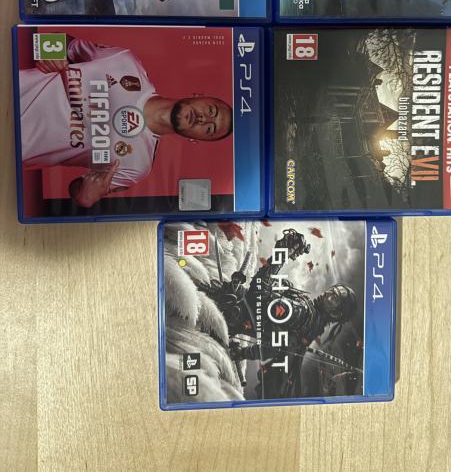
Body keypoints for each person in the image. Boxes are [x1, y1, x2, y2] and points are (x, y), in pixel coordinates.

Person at [20, 35, 232, 208]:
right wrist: (51, 53)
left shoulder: (138, 167)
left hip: (15, 150)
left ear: (195, 140)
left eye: (209, 128)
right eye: (211, 110)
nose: (203, 119)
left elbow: (78, 190)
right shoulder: (125, 62)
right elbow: (57, 42)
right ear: (198, 95)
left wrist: (86, 196)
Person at [202, 228, 358, 398]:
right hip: (226, 315)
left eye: (334, 300)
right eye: (333, 291)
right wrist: (243, 352)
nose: (328, 295)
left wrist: (283, 252)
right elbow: (273, 346)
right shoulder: (309, 326)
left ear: (336, 314)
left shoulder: (304, 313)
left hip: (223, 309)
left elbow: (258, 294)